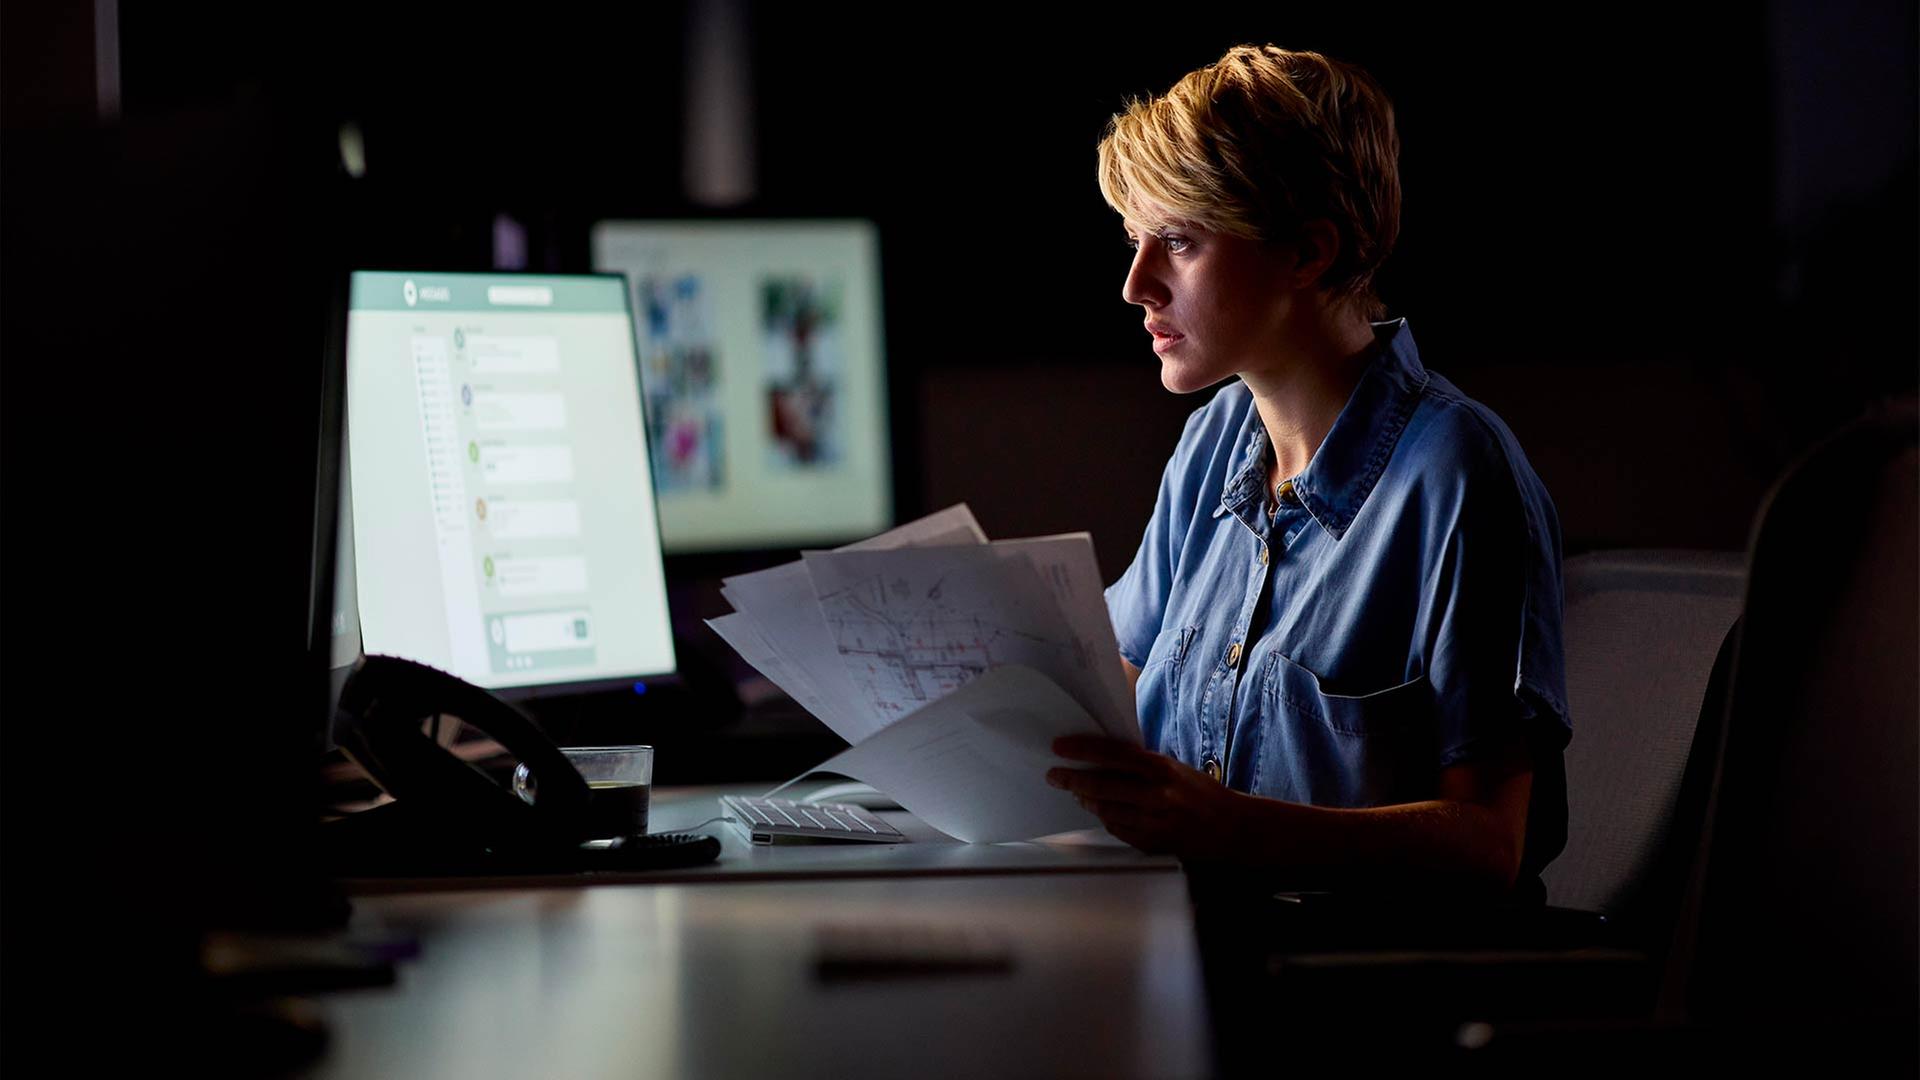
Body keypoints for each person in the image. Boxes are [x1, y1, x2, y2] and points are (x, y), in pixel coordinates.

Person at [1046, 45, 1570, 900]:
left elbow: (1489, 846)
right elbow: (1115, 694)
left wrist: (1228, 827)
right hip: (1181, 935)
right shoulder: (1212, 442)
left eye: (1177, 241)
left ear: (1306, 253)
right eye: (1136, 242)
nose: (1136, 285)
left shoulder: (1459, 476)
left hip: (1345, 969)